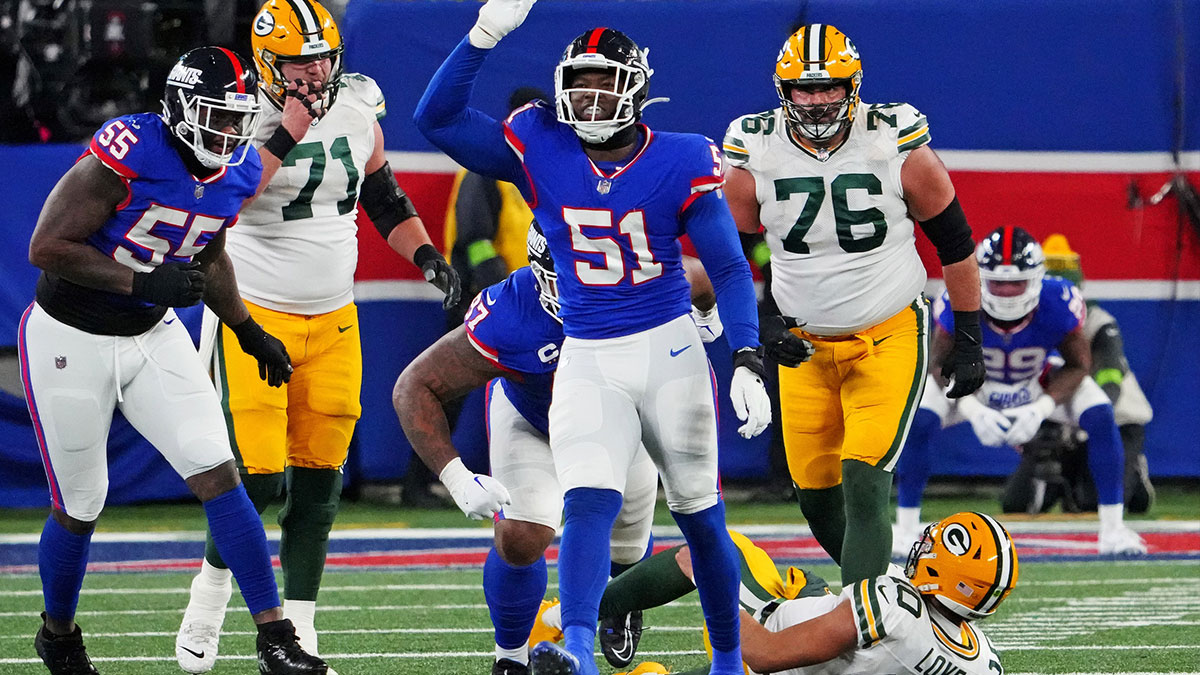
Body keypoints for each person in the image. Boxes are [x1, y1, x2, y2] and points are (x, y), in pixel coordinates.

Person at [414, 3, 777, 673]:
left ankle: (729, 662)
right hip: (588, 351)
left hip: (669, 350)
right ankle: (576, 648)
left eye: (605, 84)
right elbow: (434, 118)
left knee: (701, 517)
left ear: (636, 88)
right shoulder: (540, 144)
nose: (589, 97)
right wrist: (483, 37)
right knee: (585, 500)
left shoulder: (682, 156)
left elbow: (726, 264)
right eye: (578, 84)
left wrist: (747, 352)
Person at [19, 46, 326, 675]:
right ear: (183, 108)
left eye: (238, 121)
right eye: (217, 118)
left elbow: (207, 250)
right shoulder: (132, 148)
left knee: (218, 471)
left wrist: (246, 329)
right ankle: (57, 634)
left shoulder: (236, 170)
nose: (229, 134)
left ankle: (275, 638)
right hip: (71, 335)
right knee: (81, 502)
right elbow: (46, 246)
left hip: (152, 335)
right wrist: (140, 283)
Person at [176, 1, 461, 671]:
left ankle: (298, 629)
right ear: (266, 64)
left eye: (322, 60)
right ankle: (211, 591)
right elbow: (221, 203)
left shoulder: (359, 107)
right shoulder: (238, 116)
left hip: (335, 317)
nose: (314, 74)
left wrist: (427, 257)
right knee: (258, 477)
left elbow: (384, 197)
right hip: (254, 315)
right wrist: (284, 135)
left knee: (318, 481)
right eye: (299, 63)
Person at [395, 220, 725, 675]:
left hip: (623, 419)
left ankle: (620, 600)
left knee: (625, 549)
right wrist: (455, 477)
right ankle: (509, 657)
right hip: (535, 421)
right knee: (522, 535)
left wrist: (709, 322)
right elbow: (414, 385)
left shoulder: (646, 283)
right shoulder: (512, 313)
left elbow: (702, 278)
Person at [722, 24, 986, 585]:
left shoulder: (895, 143)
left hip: (888, 331)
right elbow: (734, 254)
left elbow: (957, 246)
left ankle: (862, 619)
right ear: (781, 91)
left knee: (865, 481)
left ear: (854, 86)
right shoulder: (754, 151)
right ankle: (886, 597)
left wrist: (968, 338)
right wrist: (763, 318)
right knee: (815, 497)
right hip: (804, 347)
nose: (816, 101)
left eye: (829, 88)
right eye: (802, 89)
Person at [892, 226, 1146, 556]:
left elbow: (1078, 365)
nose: (1008, 292)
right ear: (980, 277)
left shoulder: (1058, 300)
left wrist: (1040, 408)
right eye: (998, 282)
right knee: (919, 416)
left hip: (1033, 383)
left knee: (1099, 412)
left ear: (1037, 279)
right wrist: (971, 409)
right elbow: (938, 365)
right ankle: (907, 526)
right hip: (972, 386)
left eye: (1017, 283)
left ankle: (1113, 530)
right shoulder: (957, 296)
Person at [533, 511, 1016, 675]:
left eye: (937, 547)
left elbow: (765, 654)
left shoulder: (896, 611)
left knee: (707, 551)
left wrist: (718, 590)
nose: (924, 546)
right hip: (814, 640)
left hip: (773, 646)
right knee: (791, 577)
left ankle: (562, 619)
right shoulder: (982, 660)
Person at [1037, 234, 1155, 513]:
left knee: (1091, 503)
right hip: (1062, 423)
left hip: (1113, 421)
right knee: (1018, 501)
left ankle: (1134, 476)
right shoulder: (1030, 326)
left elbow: (1110, 384)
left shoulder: (1099, 324)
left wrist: (1086, 424)